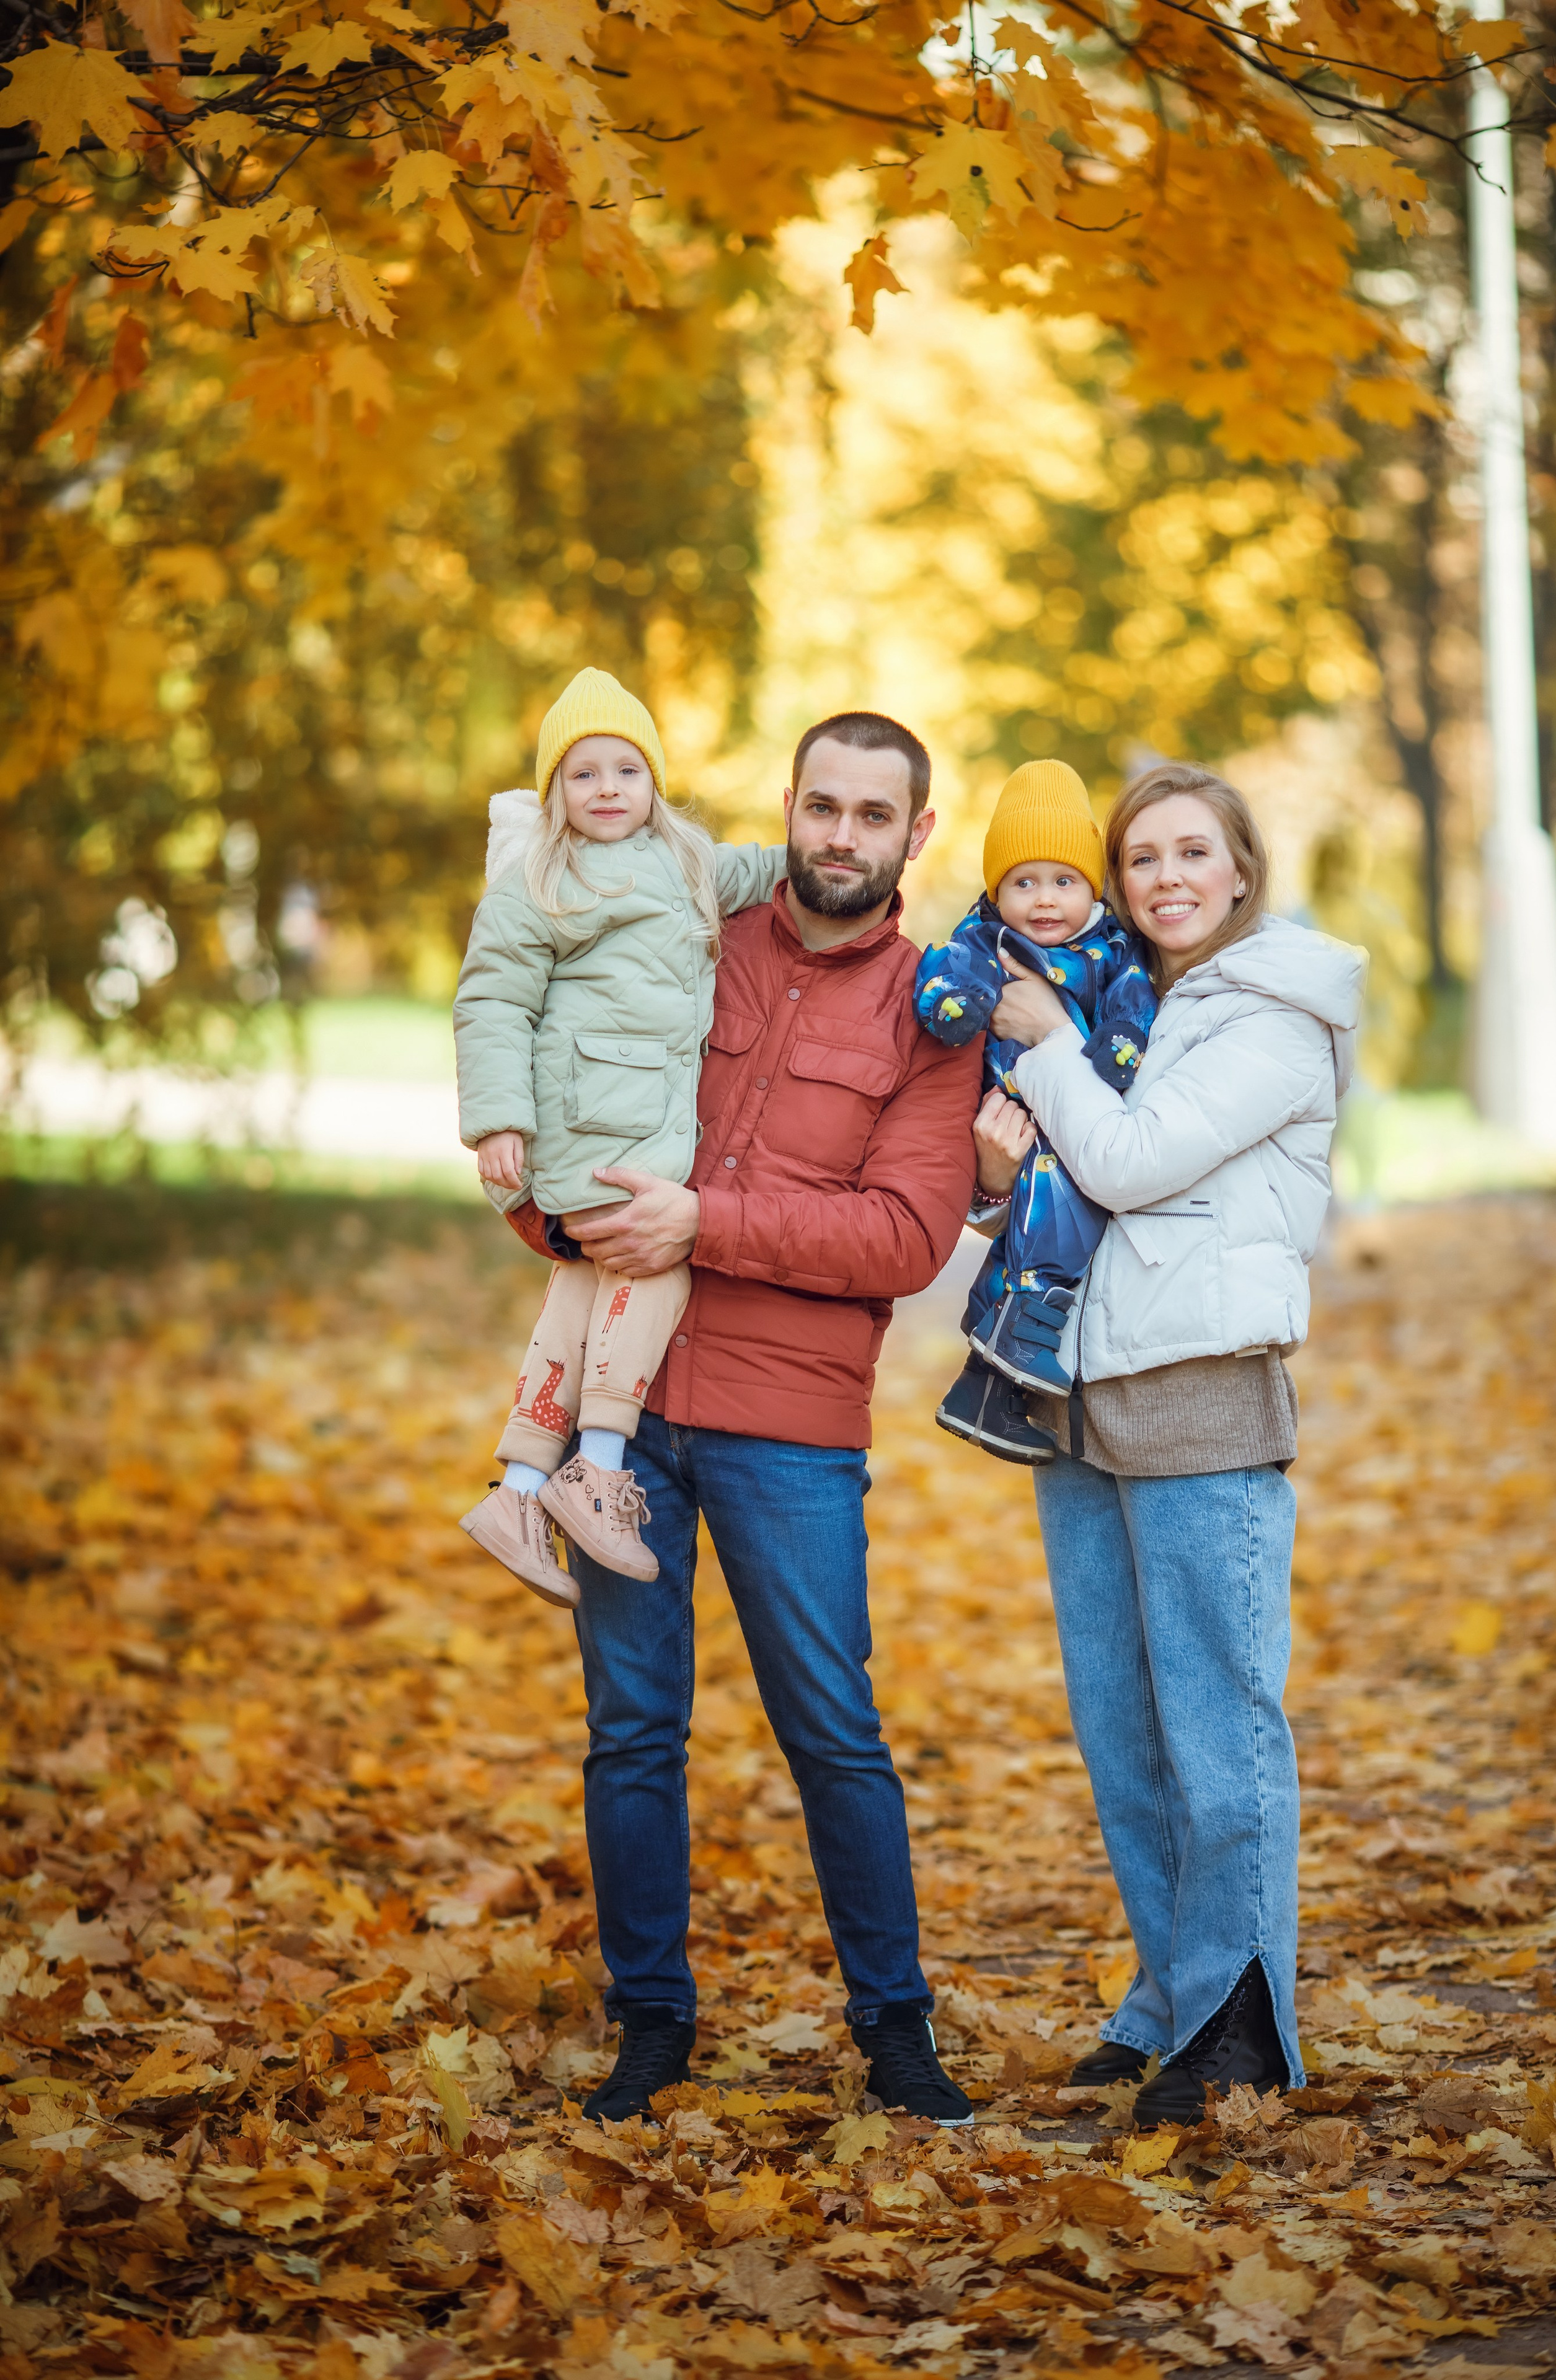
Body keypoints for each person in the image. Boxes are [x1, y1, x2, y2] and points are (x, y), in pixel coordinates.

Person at [503, 711, 984, 2126]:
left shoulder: (928, 1013)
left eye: (870, 814)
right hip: (620, 1410)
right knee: (631, 1727)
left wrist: (703, 1220)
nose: (839, 835)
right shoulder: (682, 929)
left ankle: (894, 2029)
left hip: (790, 1427)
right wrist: (546, 1196)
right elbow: (568, 1071)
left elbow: (901, 1234)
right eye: (820, 805)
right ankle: (649, 2024)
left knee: (832, 1725)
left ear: (914, 835)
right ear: (786, 806)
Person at [979, 760, 1365, 2126]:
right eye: (1138, 858)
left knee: (1215, 1724)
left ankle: (1243, 2021)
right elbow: (1057, 1192)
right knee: (1124, 1731)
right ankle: (1169, 1998)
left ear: (1240, 868)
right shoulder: (1127, 1006)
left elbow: (1130, 1163)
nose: (1164, 879)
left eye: (1190, 852)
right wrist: (992, 1164)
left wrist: (1041, 1046)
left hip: (1200, 1389)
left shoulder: (1271, 1014)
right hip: (1077, 1396)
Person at [453, 668, 784, 1595]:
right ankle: (598, 1467)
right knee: (654, 1259)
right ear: (555, 791)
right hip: (586, 1119)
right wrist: (497, 1121)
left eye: (626, 770)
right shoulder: (541, 880)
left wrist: (820, 854)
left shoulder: (686, 863)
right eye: (583, 774)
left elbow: (762, 868)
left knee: (584, 1277)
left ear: (655, 783)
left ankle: (520, 1486)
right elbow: (491, 1001)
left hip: (629, 1119)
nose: (607, 790)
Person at [913, 759, 1155, 1465]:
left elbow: (1132, 1004)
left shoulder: (1114, 949)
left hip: (1077, 1115)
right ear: (996, 889)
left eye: (1064, 881)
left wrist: (1118, 1048)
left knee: (1045, 1229)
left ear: (1092, 888)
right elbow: (941, 972)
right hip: (1013, 1116)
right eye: (1023, 882)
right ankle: (1016, 1336)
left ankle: (986, 1386)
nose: (1044, 901)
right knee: (1047, 1222)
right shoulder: (986, 939)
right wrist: (950, 1004)